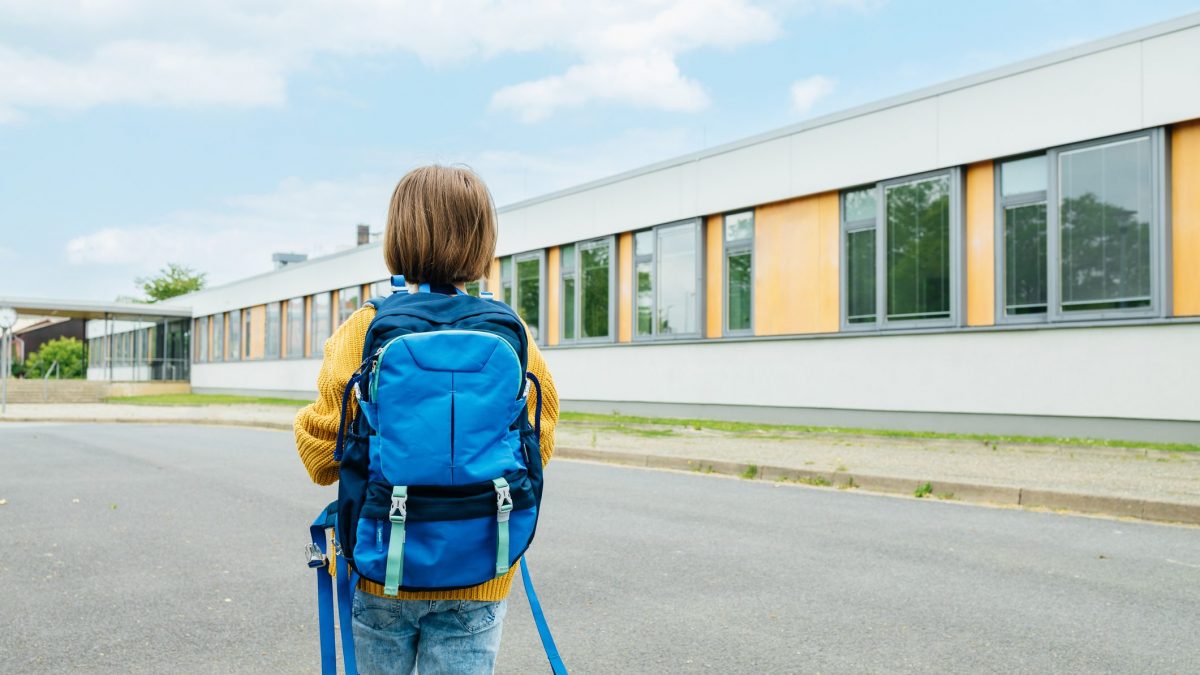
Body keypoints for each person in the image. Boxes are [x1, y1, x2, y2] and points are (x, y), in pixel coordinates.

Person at [294, 165, 559, 674]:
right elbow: (536, 445)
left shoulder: (366, 327)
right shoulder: (511, 331)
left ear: (398, 236)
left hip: (383, 560)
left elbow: (324, 458)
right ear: (483, 240)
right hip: (483, 563)